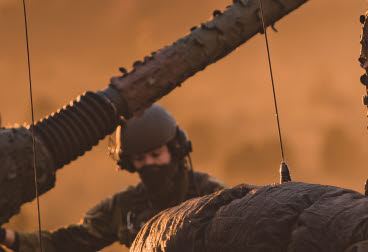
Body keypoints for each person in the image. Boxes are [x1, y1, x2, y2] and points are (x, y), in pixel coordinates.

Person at [1, 105, 225, 251]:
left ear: (176, 150)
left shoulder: (212, 195)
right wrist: (8, 237)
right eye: (140, 158)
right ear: (129, 163)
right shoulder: (125, 207)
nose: (149, 164)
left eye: (156, 155)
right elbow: (69, 242)